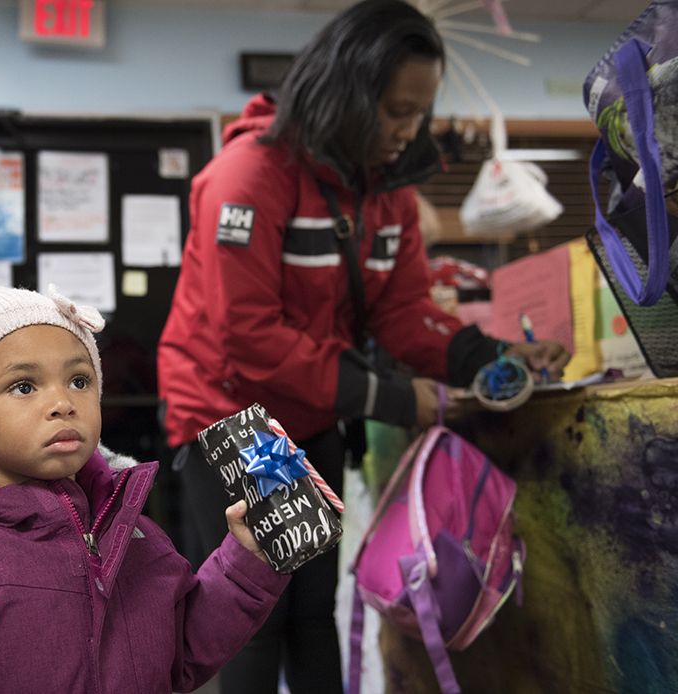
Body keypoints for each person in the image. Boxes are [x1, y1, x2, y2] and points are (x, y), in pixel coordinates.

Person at [156, 2, 570, 693]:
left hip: (314, 413)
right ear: (345, 92)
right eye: (394, 111)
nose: (407, 131)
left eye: (420, 112)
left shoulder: (385, 192)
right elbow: (247, 335)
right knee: (261, 614)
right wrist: (391, 396)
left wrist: (486, 357)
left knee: (315, 613)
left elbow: (404, 309)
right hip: (238, 417)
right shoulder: (249, 176)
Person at [0, 284, 290, 693]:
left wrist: (247, 560)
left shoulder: (137, 536)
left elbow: (181, 652)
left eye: (79, 380)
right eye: (24, 386)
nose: (63, 403)